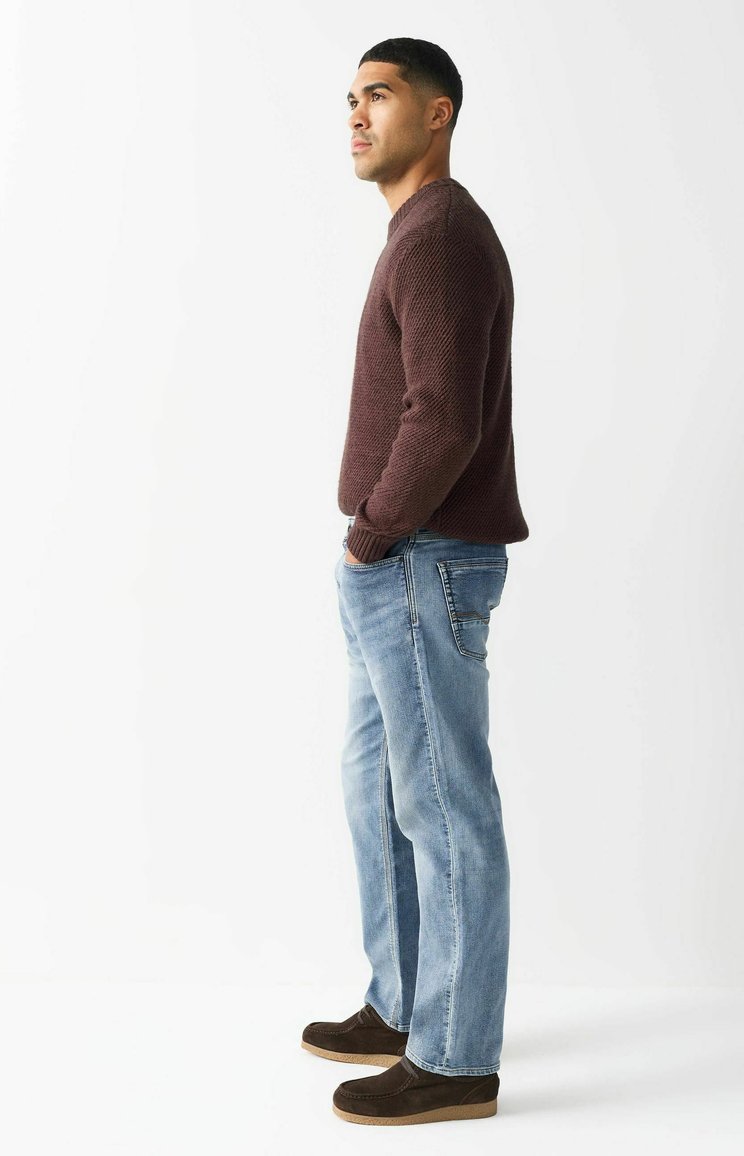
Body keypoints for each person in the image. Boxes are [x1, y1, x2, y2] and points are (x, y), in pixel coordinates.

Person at [301, 37, 530, 1126]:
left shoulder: (438, 236)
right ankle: (403, 1003)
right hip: (397, 562)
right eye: (350, 98)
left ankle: (454, 1057)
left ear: (437, 113)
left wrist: (372, 535)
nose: (356, 114)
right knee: (380, 796)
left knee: (441, 806)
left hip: (418, 558)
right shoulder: (418, 232)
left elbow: (442, 417)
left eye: (379, 95)